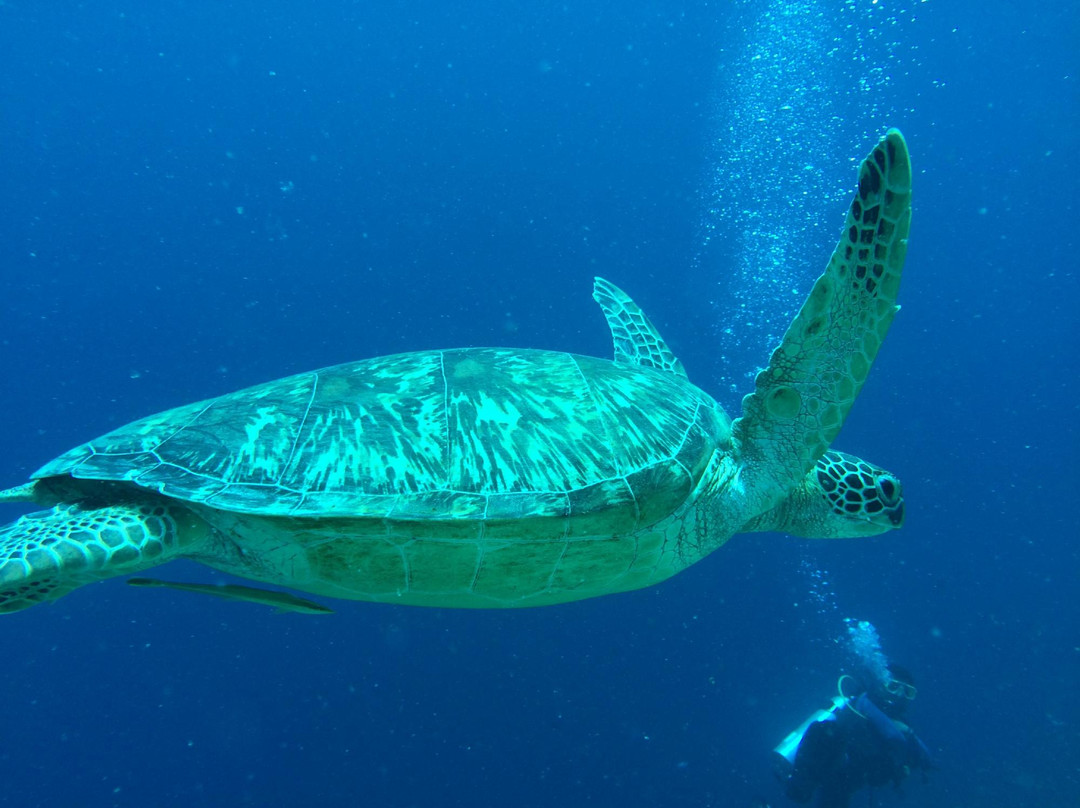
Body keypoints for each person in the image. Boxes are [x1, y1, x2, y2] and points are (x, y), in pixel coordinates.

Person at [777, 667, 934, 808]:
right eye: (893, 687)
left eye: (908, 692)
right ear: (881, 686)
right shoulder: (857, 710)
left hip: (848, 783)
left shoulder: (900, 729)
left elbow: (880, 774)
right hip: (835, 776)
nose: (900, 695)